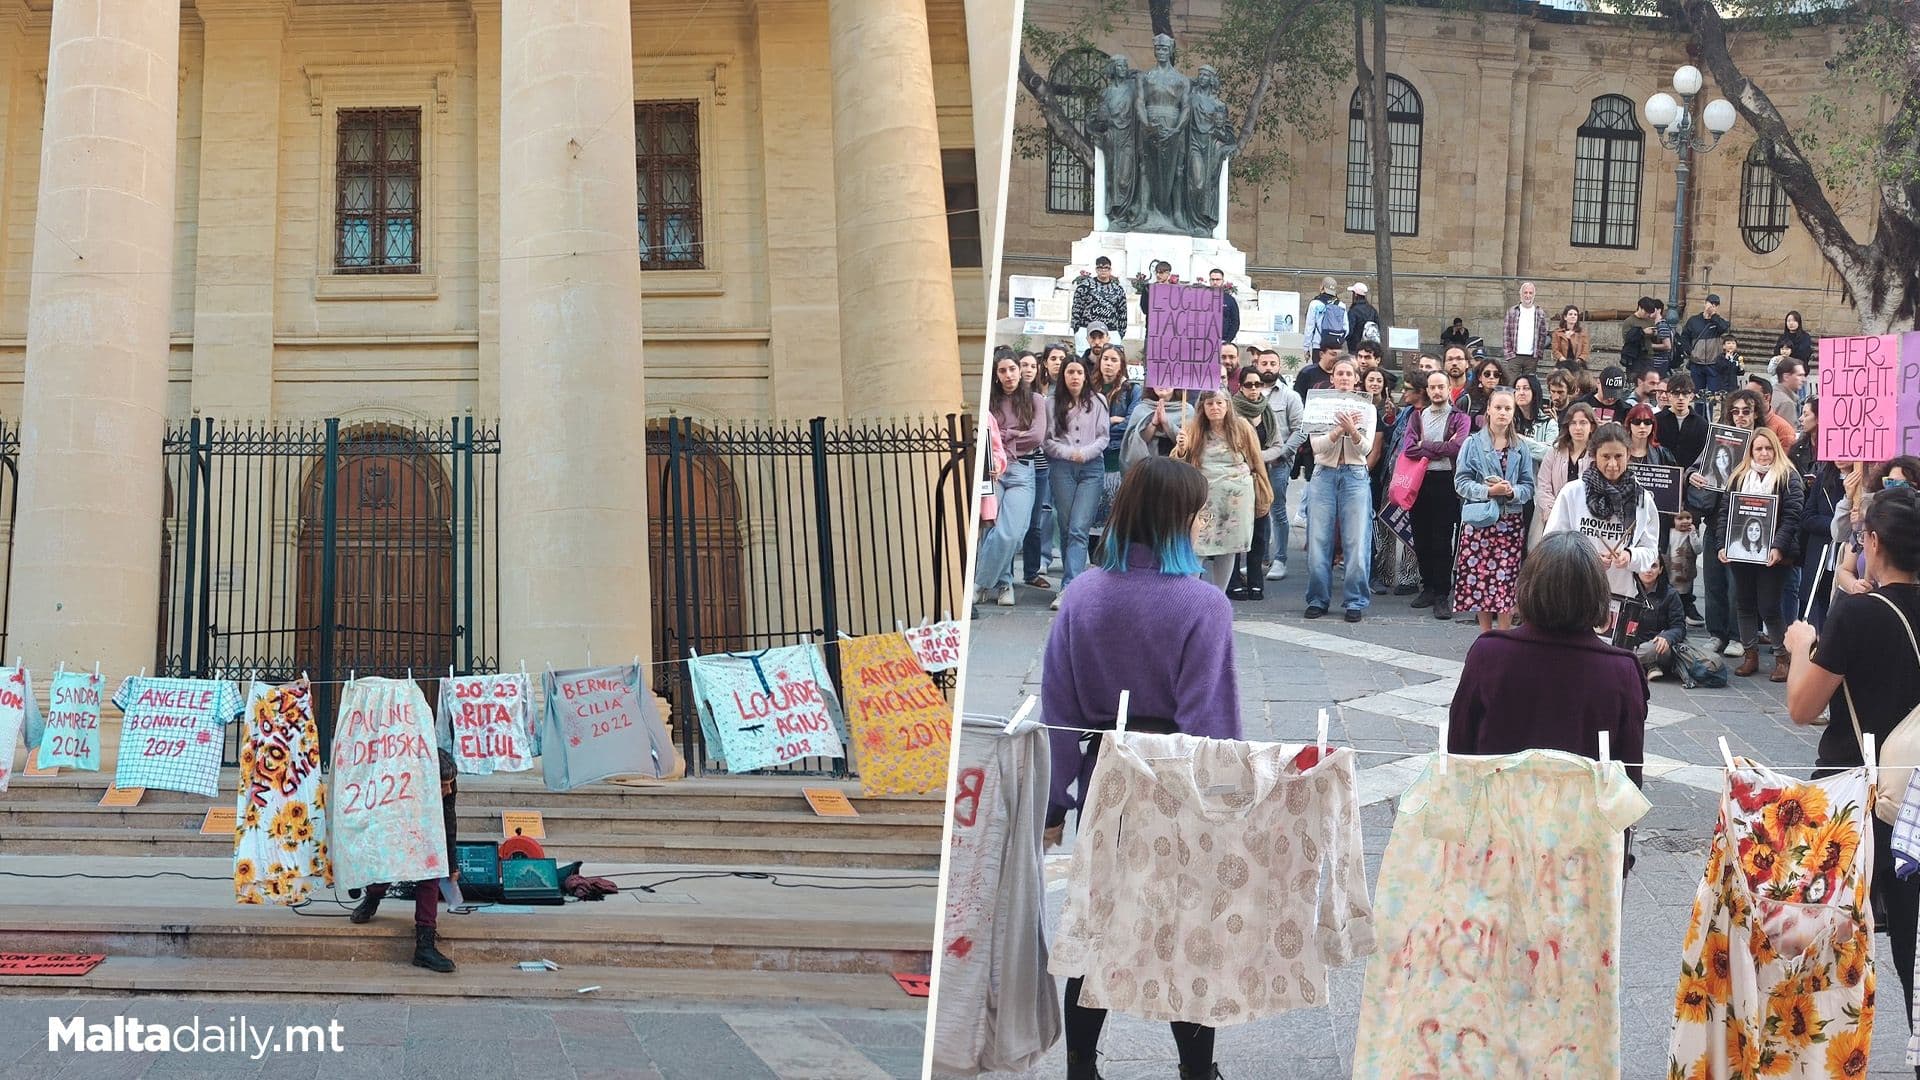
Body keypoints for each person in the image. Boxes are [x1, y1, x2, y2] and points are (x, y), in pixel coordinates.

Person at [1039, 457, 1238, 1080]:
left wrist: (1054, 803)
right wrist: (1229, 800)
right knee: (1189, 930)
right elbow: (1211, 723)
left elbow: (1060, 711)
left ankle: (1079, 1066)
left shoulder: (1083, 594)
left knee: (1099, 922)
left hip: (1107, 775)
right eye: (1197, 511)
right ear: (1180, 520)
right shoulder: (1203, 604)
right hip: (1178, 781)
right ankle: (1197, 1071)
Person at [1786, 484, 1920, 1074]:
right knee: (1911, 941)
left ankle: (1822, 1052)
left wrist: (1798, 645)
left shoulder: (1857, 614)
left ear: (1871, 543)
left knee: (1833, 935)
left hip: (1858, 793)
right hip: (1914, 791)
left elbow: (1801, 705)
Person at [1448, 530, 1648, 790]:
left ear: (1528, 586)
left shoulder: (1489, 654)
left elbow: (1459, 751)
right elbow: (1630, 779)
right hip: (1586, 826)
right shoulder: (1622, 670)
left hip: (1496, 819)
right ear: (1598, 593)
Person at [351, 752, 459, 972]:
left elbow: (449, 819)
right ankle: (372, 897)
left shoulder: (448, 788)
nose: (447, 790)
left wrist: (451, 862)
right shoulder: (402, 784)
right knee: (388, 868)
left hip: (429, 829)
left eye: (450, 784)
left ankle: (425, 944)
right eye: (442, 785)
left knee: (430, 875)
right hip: (398, 823)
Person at [1717, 426, 1804, 680]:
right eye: (1759, 448)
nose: (1764, 453)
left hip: (1775, 556)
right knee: (1743, 603)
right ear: (1751, 451)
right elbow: (1726, 514)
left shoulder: (1788, 476)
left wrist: (1778, 546)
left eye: (1768, 448)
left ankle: (1781, 658)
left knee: (1769, 606)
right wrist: (1722, 545)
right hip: (1742, 553)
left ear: (1775, 449)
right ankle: (1750, 655)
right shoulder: (1738, 476)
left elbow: (1792, 515)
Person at [1175, 385, 1274, 596]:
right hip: (1204, 497)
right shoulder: (1193, 428)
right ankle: (1190, 594)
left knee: (1229, 548)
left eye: (1220, 403)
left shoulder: (1242, 427)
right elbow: (1179, 463)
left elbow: (1256, 460)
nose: (1215, 408)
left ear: (1228, 405)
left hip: (1236, 498)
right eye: (1209, 403)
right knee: (1198, 546)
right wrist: (1182, 447)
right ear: (1202, 407)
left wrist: (1264, 493)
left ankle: (1219, 595)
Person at [1543, 422, 1659, 598]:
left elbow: (1650, 552)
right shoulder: (1572, 492)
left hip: (1620, 594)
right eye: (1606, 456)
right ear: (1594, 456)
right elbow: (1551, 545)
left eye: (1618, 456)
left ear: (1628, 455)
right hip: (1577, 591)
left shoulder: (1642, 499)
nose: (1612, 464)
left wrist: (1630, 556)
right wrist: (1588, 560)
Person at [1688, 390, 1764, 656]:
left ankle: (1738, 635)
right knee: (1713, 580)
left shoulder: (1763, 441)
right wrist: (1692, 476)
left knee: (1738, 584)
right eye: (1736, 411)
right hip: (1716, 517)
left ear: (1756, 413)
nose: (1741, 416)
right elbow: (1697, 468)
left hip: (1748, 520)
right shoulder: (1720, 439)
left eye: (1746, 411)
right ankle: (1716, 633)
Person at [1453, 387, 1535, 632]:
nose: (1502, 413)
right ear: (1488, 410)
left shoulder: (1521, 447)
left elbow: (1529, 486)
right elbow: (1461, 482)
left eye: (1507, 408)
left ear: (1513, 413)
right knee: (1479, 581)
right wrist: (1488, 491)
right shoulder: (1472, 443)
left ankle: (1504, 634)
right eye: (1498, 407)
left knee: (1506, 581)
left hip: (1509, 523)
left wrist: (1512, 492)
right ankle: (1485, 634)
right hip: (1480, 523)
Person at [1304, 358, 1377, 621]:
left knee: (1356, 540)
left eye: (1349, 373)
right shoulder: (1318, 404)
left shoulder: (1367, 407)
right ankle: (1317, 598)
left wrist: (1353, 432)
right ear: (1332, 378)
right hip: (1324, 473)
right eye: (1340, 373)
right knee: (1318, 539)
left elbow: (1366, 449)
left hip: (1355, 474)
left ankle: (1355, 600)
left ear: (1356, 378)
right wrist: (1338, 431)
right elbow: (1317, 447)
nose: (1344, 377)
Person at [974, 351, 1048, 607]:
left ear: (1020, 370)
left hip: (1021, 470)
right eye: (1002, 371)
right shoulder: (990, 401)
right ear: (996, 375)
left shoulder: (1036, 399)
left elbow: (1037, 436)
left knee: (1012, 532)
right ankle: (1004, 583)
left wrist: (1004, 438)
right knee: (992, 528)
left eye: (1012, 369)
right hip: (994, 471)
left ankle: (980, 582)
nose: (1008, 375)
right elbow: (986, 433)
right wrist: (1016, 433)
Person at [1402, 369, 1470, 618]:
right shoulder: (1417, 417)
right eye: (1432, 387)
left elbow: (1457, 447)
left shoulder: (1460, 418)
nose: (1437, 391)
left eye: (1441, 386)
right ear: (1427, 391)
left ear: (1448, 388)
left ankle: (1442, 593)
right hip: (1420, 481)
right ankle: (1427, 586)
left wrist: (1425, 446)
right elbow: (1409, 449)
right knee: (1421, 538)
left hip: (1446, 483)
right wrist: (1437, 448)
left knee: (1442, 540)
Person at [1044, 356, 1110, 608]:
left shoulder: (1098, 401)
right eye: (1070, 372)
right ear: (1063, 376)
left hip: (1091, 468)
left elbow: (1104, 436)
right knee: (1066, 525)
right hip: (1062, 466)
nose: (1074, 377)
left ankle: (1070, 587)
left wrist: (1086, 453)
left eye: (1078, 372)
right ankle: (1073, 580)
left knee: (1079, 527)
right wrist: (1068, 453)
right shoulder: (1052, 403)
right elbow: (1047, 439)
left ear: (1085, 376)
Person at [1259, 352, 1308, 582]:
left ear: (1279, 366)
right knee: (1256, 512)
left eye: (1272, 363)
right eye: (1264, 363)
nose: (1268, 367)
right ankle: (1259, 558)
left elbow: (1300, 430)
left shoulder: (1290, 396)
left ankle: (1280, 559)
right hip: (1252, 463)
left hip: (1279, 463)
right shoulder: (1249, 393)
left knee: (1277, 510)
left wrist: (1283, 454)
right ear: (1256, 365)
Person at [1532, 402, 1596, 550]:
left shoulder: (1596, 455)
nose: (1578, 428)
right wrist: (1552, 512)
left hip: (1584, 518)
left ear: (1592, 426)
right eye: (1573, 423)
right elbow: (1543, 484)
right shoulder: (1555, 451)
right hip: (1550, 515)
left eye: (1583, 423)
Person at [1624, 556, 1688, 683]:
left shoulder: (1670, 594)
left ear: (1660, 570)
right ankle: (1649, 666)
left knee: (1655, 649)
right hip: (1631, 642)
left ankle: (1625, 661)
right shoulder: (1627, 590)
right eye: (1645, 566)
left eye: (1654, 566)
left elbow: (1679, 627)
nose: (1649, 570)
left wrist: (1668, 637)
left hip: (1656, 646)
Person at [1654, 372, 1709, 472]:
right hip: (1661, 476)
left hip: (1690, 478)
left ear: (1691, 396)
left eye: (1685, 393)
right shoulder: (1656, 420)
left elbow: (1704, 457)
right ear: (1669, 395)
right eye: (1676, 393)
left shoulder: (1701, 424)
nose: (1680, 398)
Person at [1070, 257, 1128, 348]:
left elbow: (1122, 312)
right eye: (1100, 268)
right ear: (1096, 269)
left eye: (1106, 268)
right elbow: (1076, 308)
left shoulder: (1118, 290)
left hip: (1110, 331)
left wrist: (1120, 333)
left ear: (1110, 270)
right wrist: (1077, 330)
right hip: (1086, 329)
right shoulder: (1085, 287)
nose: (1103, 270)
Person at [1503, 280, 1550, 374]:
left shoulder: (1539, 312)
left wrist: (1538, 354)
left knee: (1528, 386)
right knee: (1511, 384)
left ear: (1534, 295)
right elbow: (1506, 333)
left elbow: (1543, 334)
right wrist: (1509, 353)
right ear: (1520, 294)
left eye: (1530, 293)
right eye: (1525, 292)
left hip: (1531, 357)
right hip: (1515, 356)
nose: (1527, 295)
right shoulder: (1512, 311)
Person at [1676, 292, 1731, 370]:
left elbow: (1724, 328)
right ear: (1705, 304)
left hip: (1713, 363)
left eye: (1715, 305)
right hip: (1697, 362)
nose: (1712, 306)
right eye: (1710, 303)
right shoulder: (1694, 320)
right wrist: (1690, 351)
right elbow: (1685, 337)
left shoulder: (1719, 321)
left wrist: (1713, 316)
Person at [1670, 509, 1704, 625]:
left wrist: (1693, 534)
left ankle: (1686, 613)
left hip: (1686, 572)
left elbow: (1698, 549)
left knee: (1684, 594)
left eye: (1688, 518)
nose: (1685, 521)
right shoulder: (1670, 533)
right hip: (1672, 571)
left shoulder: (1692, 534)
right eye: (1680, 518)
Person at [1461, 356, 1506, 429]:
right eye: (1487, 374)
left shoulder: (1507, 400)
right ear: (1480, 377)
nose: (1491, 377)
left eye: (1496, 374)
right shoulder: (1467, 399)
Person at [1304, 275, 1346, 350]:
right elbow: (1346, 328)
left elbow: (1309, 327)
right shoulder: (1341, 305)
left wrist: (1306, 347)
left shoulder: (1314, 304)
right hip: (1335, 346)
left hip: (1318, 345)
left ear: (1321, 287)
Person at [1620, 297, 1660, 374]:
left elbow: (1656, 339)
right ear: (1640, 308)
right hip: (1635, 357)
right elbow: (1627, 339)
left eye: (1649, 313)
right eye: (1646, 312)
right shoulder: (1629, 321)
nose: (1647, 315)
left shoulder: (1650, 321)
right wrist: (1642, 332)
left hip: (1648, 356)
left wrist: (1655, 333)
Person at [1551, 305, 1591, 370]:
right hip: (1562, 362)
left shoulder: (1583, 333)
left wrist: (1578, 361)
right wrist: (1563, 360)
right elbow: (1555, 350)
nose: (1573, 316)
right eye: (1570, 314)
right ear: (1565, 317)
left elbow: (1585, 351)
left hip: (1578, 363)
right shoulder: (1557, 333)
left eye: (1575, 315)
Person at [1346, 282, 1381, 354]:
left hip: (1355, 347)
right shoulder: (1372, 310)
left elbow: (1350, 331)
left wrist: (1347, 339)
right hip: (1370, 347)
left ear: (1355, 294)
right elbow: (1378, 327)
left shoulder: (1353, 311)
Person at [1772, 357, 1809, 424]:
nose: (1804, 379)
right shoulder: (1786, 403)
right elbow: (1787, 433)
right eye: (1800, 375)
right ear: (1786, 377)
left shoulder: (1772, 394)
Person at [1209, 268, 1240, 346]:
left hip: (1223, 341)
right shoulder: (1202, 298)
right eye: (1212, 279)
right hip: (1205, 341)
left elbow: (1235, 322)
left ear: (1222, 281)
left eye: (1218, 279)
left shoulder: (1230, 300)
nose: (1215, 282)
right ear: (1209, 281)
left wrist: (1227, 340)